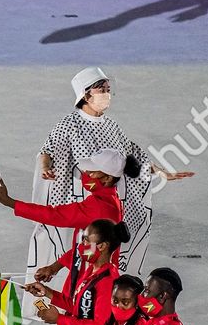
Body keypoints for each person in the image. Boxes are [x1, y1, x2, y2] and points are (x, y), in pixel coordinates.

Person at [25, 67, 192, 280]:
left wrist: (161, 172)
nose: (107, 95)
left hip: (109, 200)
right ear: (86, 95)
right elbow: (47, 150)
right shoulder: (69, 124)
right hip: (81, 199)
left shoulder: (112, 126)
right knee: (77, 251)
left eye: (108, 89)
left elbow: (133, 156)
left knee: (105, 252)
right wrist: (46, 167)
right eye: (101, 89)